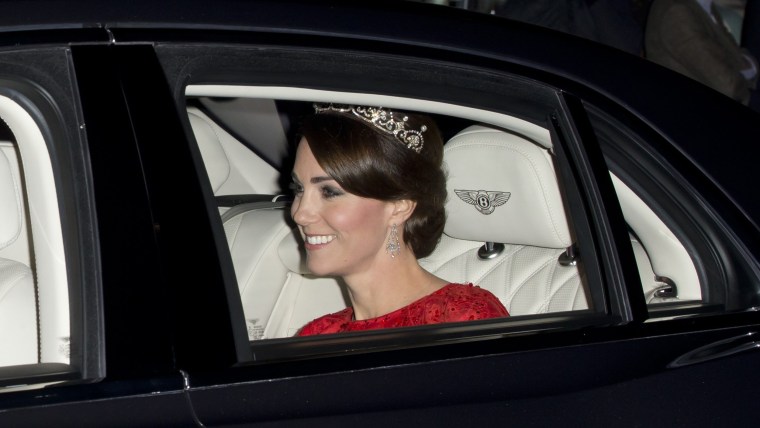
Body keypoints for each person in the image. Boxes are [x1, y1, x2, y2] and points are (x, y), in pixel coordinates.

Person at [290, 104, 508, 336]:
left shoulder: (461, 321)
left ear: (399, 206)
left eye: (329, 192)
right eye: (298, 188)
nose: (300, 214)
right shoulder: (317, 335)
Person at [645, 0, 758, 104]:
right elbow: (728, 86)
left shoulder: (701, 5)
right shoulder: (676, 11)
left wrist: (748, 69)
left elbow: (735, 55)